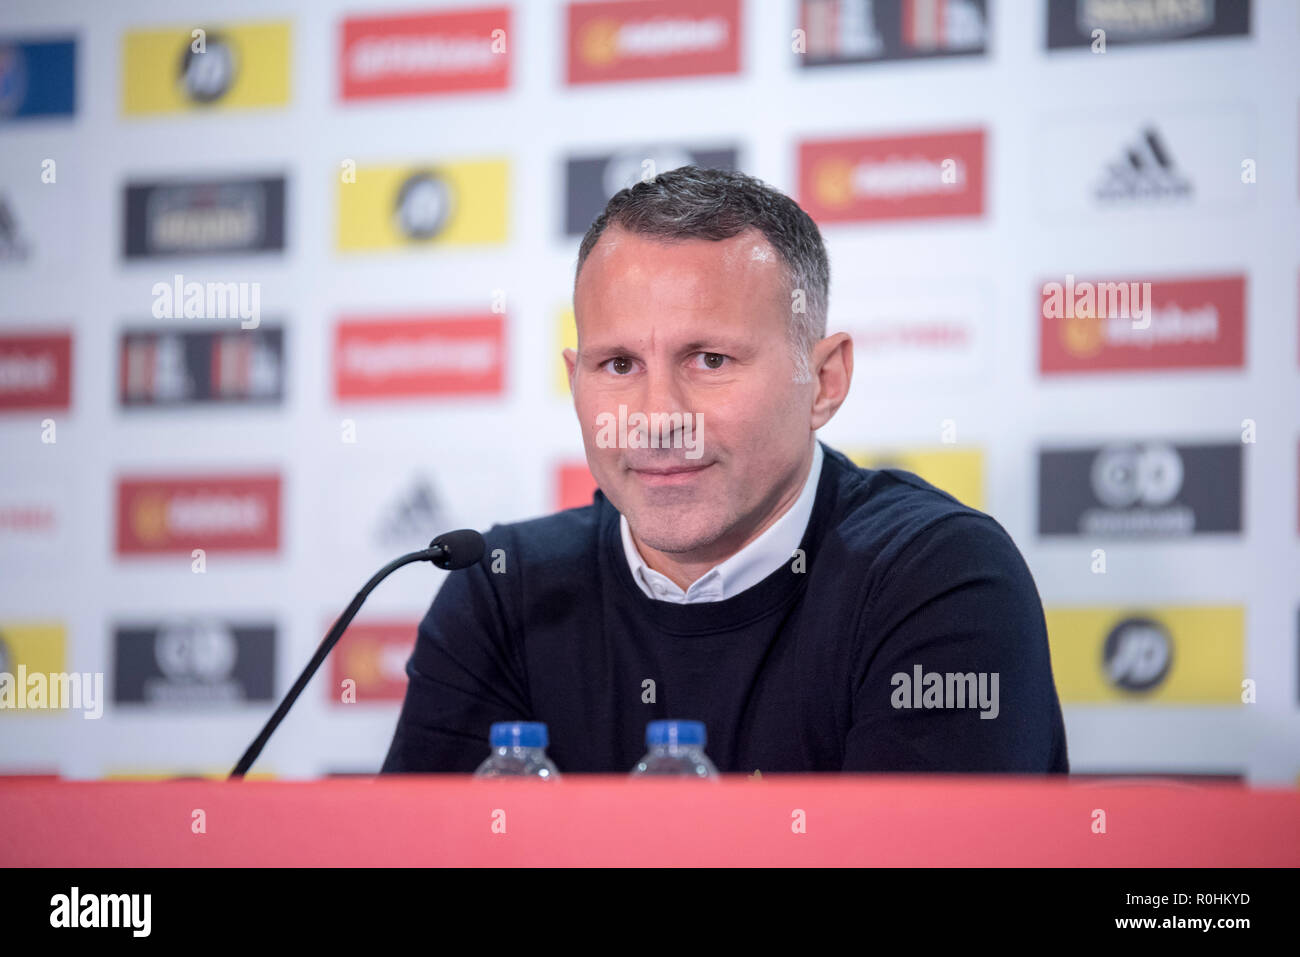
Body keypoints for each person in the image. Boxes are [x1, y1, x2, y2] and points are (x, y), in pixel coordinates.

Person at [382, 166, 1068, 774]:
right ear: (575, 380)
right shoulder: (501, 591)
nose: (657, 417)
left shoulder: (939, 578)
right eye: (619, 365)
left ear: (823, 381)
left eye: (710, 360)